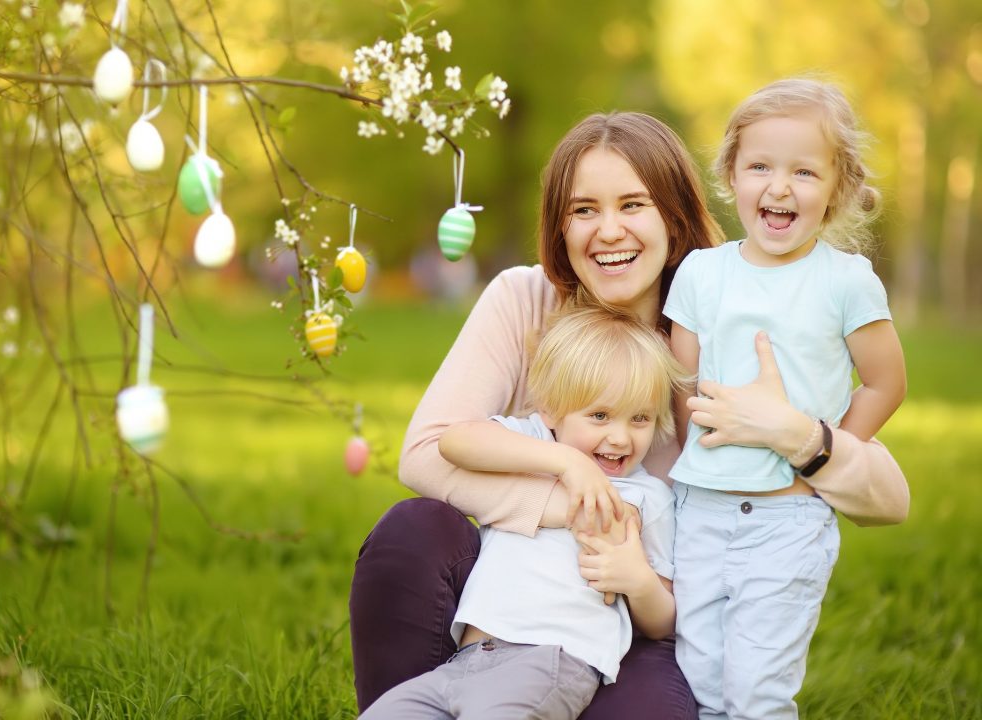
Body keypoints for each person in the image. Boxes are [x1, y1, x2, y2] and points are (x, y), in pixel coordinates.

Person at [349, 111, 910, 719]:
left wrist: (801, 437)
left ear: (672, 215)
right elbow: (427, 451)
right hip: (501, 607)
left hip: (635, 625)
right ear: (558, 227)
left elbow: (890, 500)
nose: (607, 231)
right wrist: (580, 502)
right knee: (412, 533)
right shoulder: (526, 300)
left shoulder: (727, 320)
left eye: (633, 205)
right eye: (583, 210)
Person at [664, 78, 907, 719]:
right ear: (731, 176)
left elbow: (886, 382)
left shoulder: (846, 281)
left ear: (838, 188)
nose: (779, 187)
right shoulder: (701, 273)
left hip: (786, 523)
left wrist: (821, 456)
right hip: (701, 513)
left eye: (804, 170)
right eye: (760, 167)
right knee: (700, 682)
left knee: (757, 693)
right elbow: (679, 386)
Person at [362, 306, 689, 719]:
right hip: (467, 660)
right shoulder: (532, 444)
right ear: (551, 411)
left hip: (552, 661)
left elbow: (663, 622)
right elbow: (455, 441)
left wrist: (638, 581)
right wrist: (568, 463)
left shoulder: (645, 498)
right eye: (600, 416)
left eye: (640, 418)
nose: (621, 437)